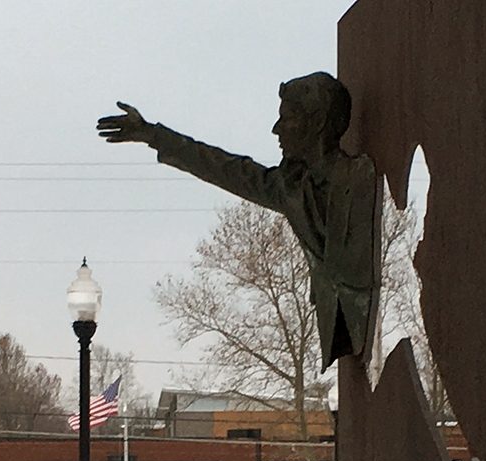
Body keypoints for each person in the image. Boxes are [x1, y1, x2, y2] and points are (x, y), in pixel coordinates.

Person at [97, 72, 376, 372]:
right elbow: (225, 169)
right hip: (340, 330)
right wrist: (153, 135)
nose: (276, 129)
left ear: (317, 123)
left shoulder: (359, 177)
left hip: (365, 318)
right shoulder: (291, 188)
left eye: (288, 118)